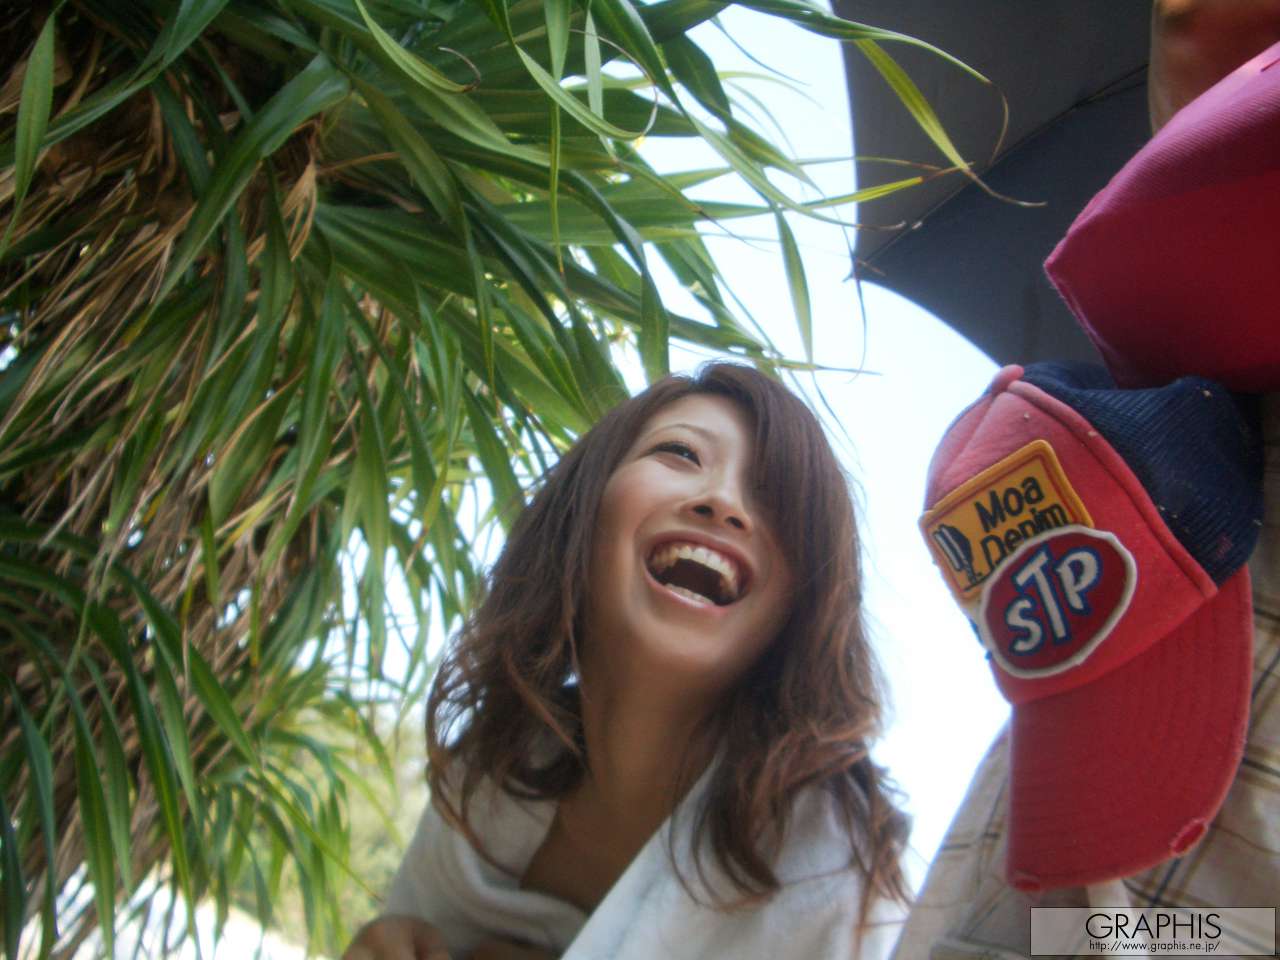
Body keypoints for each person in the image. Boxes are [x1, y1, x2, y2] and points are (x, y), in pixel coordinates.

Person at [343, 363, 911, 960]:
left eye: (775, 495)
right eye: (682, 453)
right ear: (582, 513)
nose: (723, 502)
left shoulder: (838, 884)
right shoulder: (485, 778)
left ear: (799, 605)